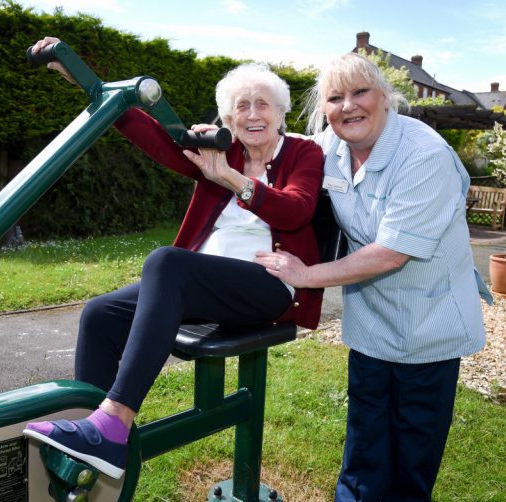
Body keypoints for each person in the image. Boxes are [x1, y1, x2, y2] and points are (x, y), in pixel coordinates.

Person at [23, 36, 325, 479]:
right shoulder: (224, 148)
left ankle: (113, 424)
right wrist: (90, 85)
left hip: (269, 284)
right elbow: (162, 140)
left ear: (281, 113)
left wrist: (230, 178)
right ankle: (88, 434)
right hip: (204, 283)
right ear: (228, 117)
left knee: (167, 262)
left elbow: (297, 207)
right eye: (241, 106)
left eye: (263, 104)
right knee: (101, 313)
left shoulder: (303, 152)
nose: (253, 114)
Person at [255, 52, 490, 501]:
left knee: (410, 456)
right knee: (365, 446)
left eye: (360, 92)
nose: (348, 106)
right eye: (335, 97)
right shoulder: (329, 148)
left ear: (385, 97)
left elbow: (390, 255)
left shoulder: (424, 156)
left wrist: (307, 275)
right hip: (372, 324)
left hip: (430, 324)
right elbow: (279, 150)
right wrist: (225, 140)